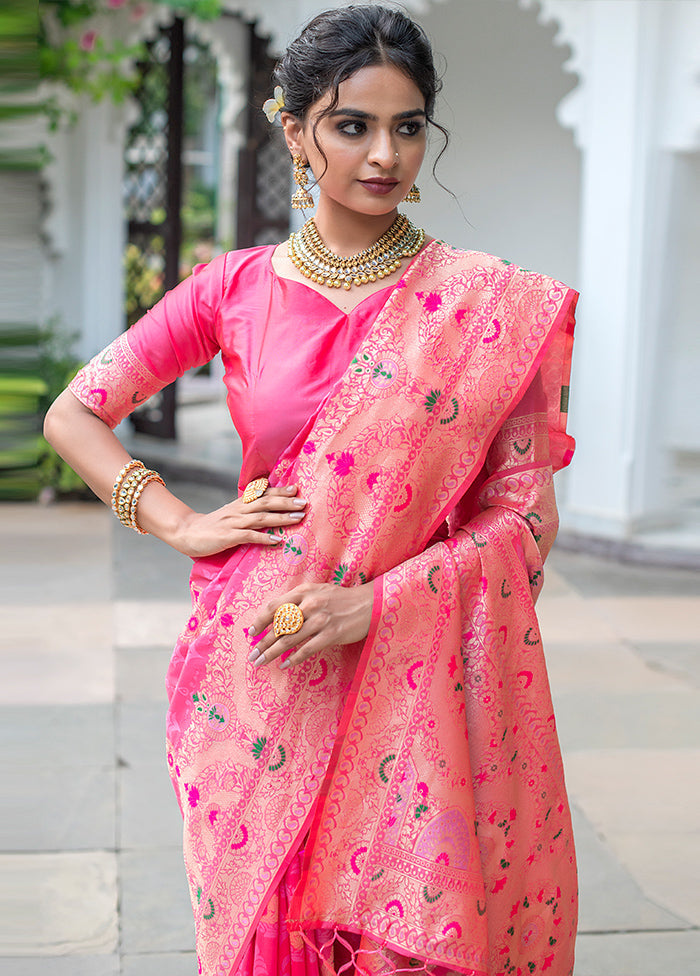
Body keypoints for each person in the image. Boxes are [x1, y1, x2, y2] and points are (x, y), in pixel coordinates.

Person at [45, 6, 578, 975]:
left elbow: (526, 518)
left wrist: (377, 604)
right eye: (351, 125)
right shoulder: (234, 288)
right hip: (259, 670)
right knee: (266, 932)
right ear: (293, 130)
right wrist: (177, 521)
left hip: (405, 686)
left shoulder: (482, 306)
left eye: (407, 127)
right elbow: (75, 412)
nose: (384, 154)